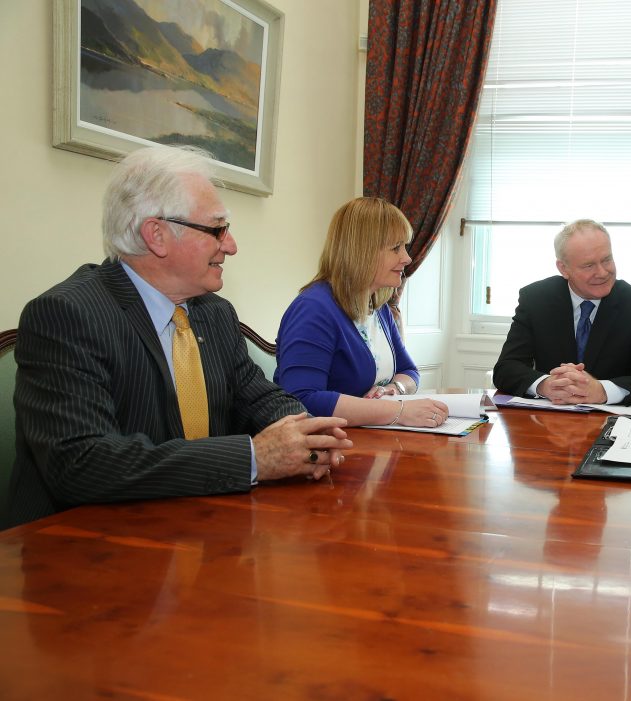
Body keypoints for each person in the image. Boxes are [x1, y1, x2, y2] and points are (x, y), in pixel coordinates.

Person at [8, 145, 352, 528]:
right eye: (217, 229)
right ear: (156, 235)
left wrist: (309, 436)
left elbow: (259, 397)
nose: (232, 245)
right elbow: (82, 463)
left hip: (201, 528)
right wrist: (254, 457)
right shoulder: (67, 315)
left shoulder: (215, 313)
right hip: (81, 545)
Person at [274, 197, 449, 428]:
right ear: (362, 251)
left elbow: (409, 370)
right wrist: (398, 410)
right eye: (396, 248)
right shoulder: (313, 309)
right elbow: (302, 399)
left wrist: (393, 389)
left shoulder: (378, 307)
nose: (407, 258)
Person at [492, 219, 631, 405]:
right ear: (564, 269)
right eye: (589, 266)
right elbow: (506, 369)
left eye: (607, 260)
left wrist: (602, 390)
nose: (603, 272)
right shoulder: (536, 299)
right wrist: (545, 385)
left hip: (611, 425)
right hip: (548, 422)